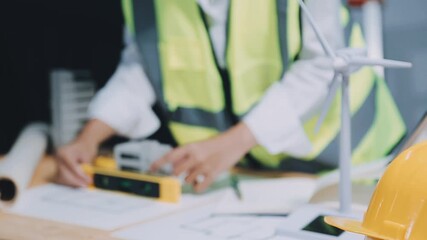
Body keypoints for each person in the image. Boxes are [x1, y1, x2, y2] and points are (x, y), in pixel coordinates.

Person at [55, 0, 405, 192]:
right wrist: (90, 137)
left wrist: (234, 142)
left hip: (356, 170)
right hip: (252, 181)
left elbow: (324, 64)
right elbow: (142, 64)